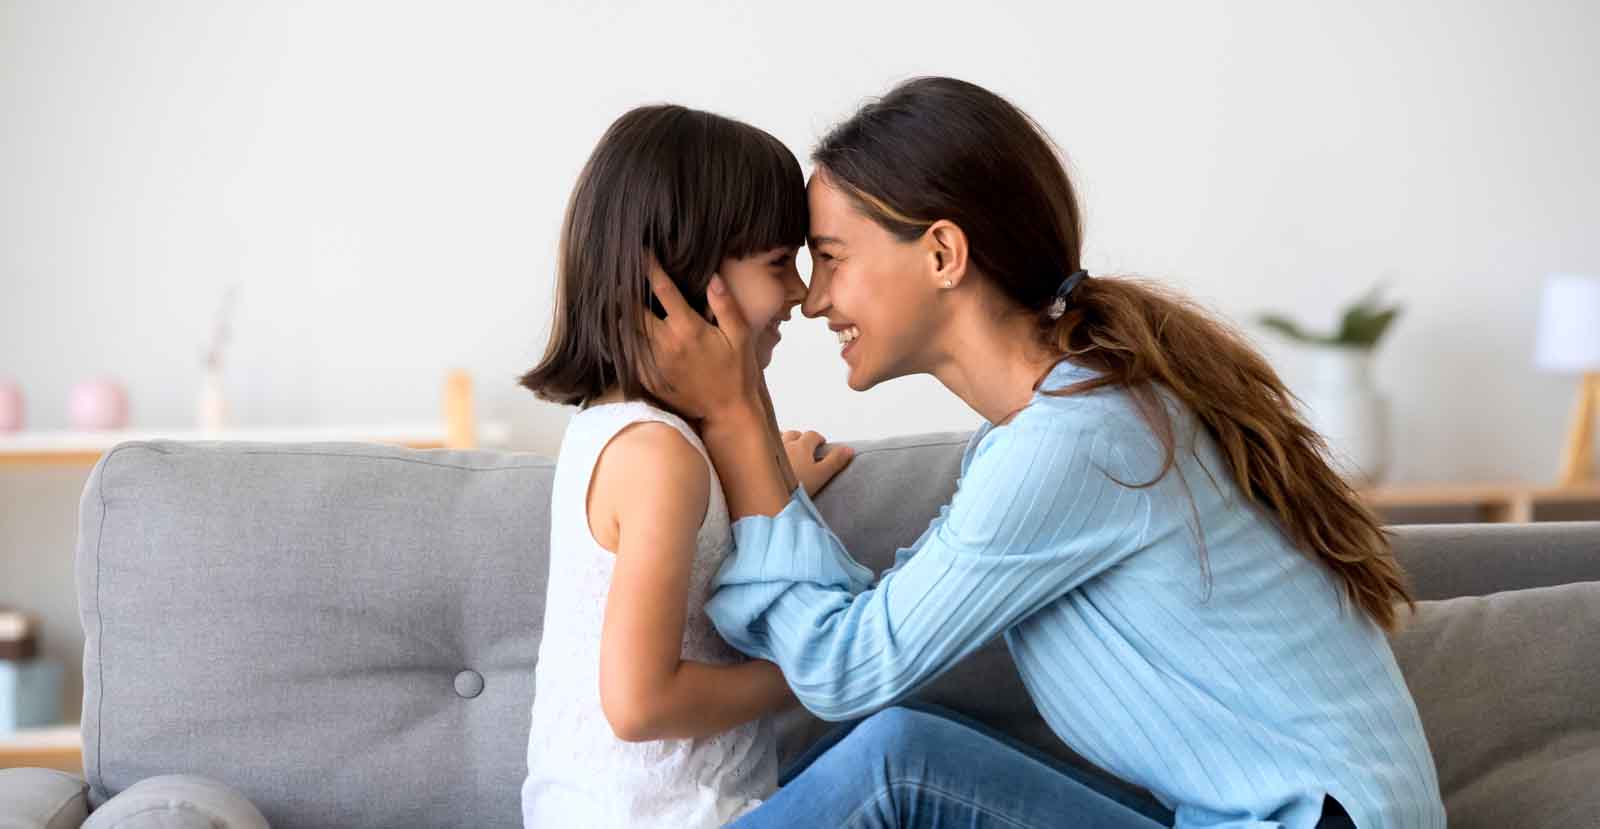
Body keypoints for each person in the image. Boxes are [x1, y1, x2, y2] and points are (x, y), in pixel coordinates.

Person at [641, 77, 1446, 828]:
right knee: (905, 748)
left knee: (898, 759)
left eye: (832, 258)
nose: (815, 299)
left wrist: (737, 414)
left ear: (942, 254)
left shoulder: (1078, 438)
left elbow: (845, 668)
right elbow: (876, 627)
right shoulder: (1054, 427)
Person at [515, 103, 853, 828]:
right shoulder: (660, 459)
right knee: (900, 752)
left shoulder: (625, 435)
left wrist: (777, 485)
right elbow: (641, 703)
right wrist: (806, 669)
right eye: (778, 264)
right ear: (685, 277)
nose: (801, 294)